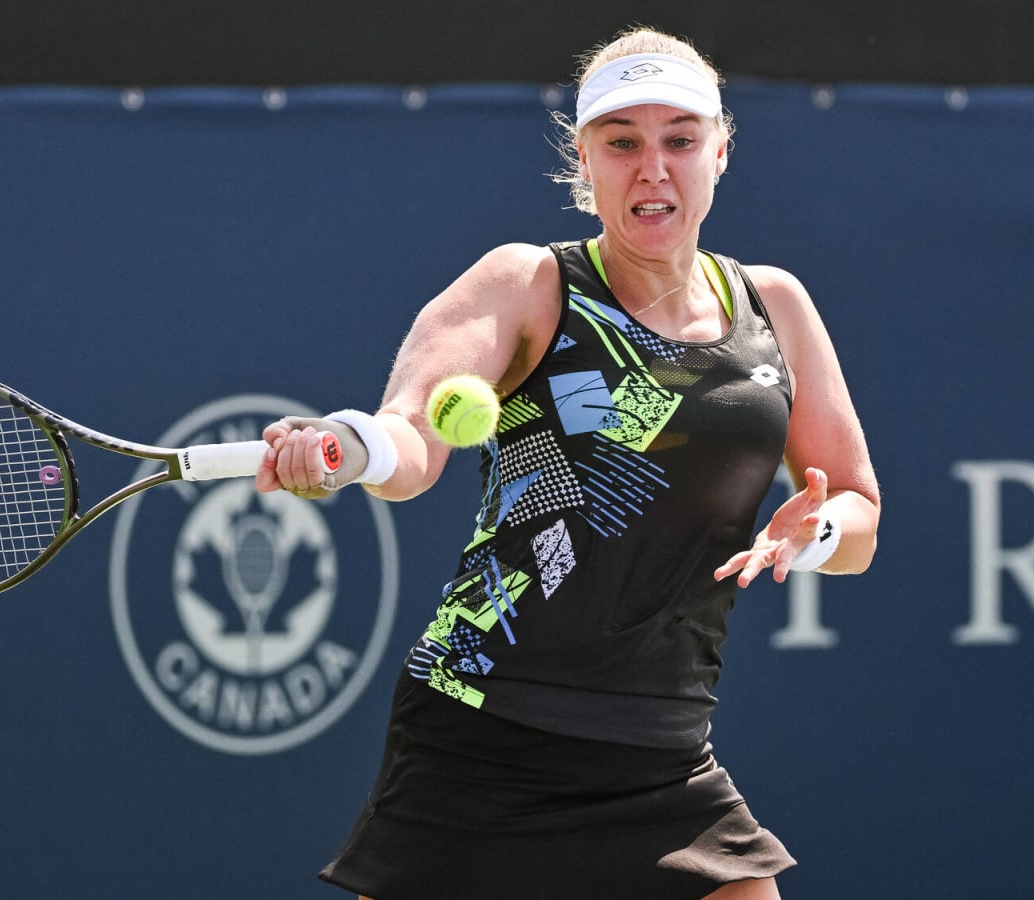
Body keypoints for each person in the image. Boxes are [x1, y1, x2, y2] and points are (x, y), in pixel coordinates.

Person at [256, 26, 880, 900]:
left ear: (720, 151)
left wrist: (814, 531)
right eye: (622, 143)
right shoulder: (525, 285)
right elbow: (412, 441)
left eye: (679, 139)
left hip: (664, 751)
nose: (652, 167)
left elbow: (857, 512)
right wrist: (350, 448)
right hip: (486, 732)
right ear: (583, 160)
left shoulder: (774, 305)